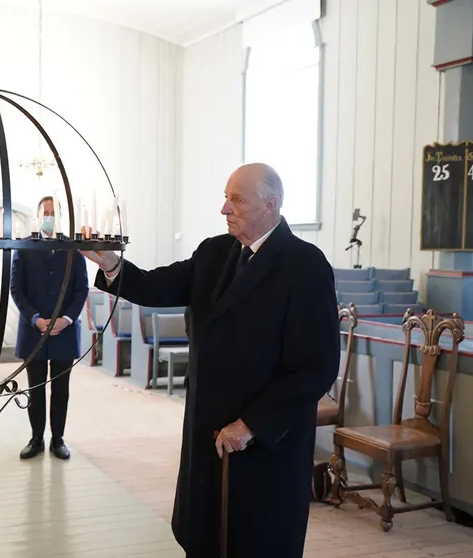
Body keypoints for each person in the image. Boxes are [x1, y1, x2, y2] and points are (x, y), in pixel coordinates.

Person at [82, 163, 340, 557]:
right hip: (208, 429)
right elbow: (157, 284)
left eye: (236, 199)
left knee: (254, 541)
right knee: (206, 536)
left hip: (262, 443)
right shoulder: (215, 252)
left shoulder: (304, 264)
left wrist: (252, 424)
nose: (224, 208)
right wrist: (113, 266)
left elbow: (316, 366)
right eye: (225, 196)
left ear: (271, 205)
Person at [11, 195, 89, 461]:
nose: (49, 216)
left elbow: (81, 289)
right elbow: (16, 289)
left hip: (64, 333)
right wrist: (35, 318)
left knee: (61, 389)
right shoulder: (24, 248)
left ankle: (58, 439)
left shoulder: (73, 249)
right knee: (35, 388)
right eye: (45, 212)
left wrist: (65, 319)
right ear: (37, 216)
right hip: (34, 331)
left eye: (54, 212)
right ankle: (36, 439)